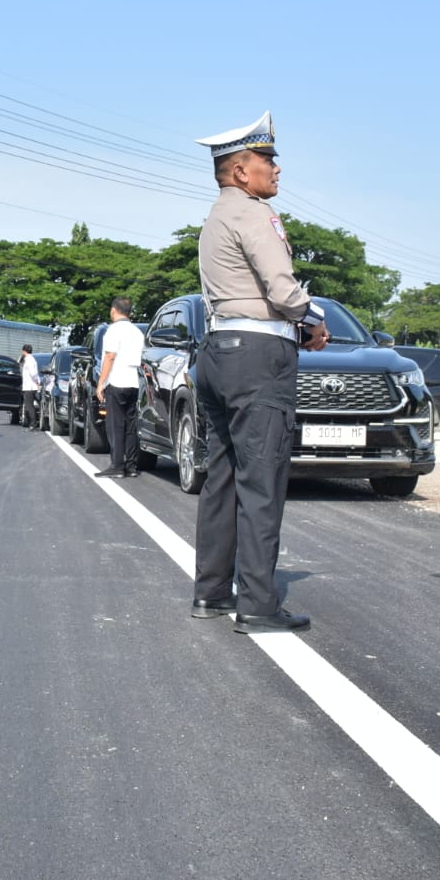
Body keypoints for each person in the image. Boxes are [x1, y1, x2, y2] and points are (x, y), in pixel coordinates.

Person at [190, 111, 330, 633]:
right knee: (262, 480)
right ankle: (257, 604)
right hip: (257, 355)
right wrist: (313, 321)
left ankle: (211, 591)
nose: (276, 169)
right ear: (240, 171)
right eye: (267, 159)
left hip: (218, 350)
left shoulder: (214, 216)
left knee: (221, 476)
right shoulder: (254, 215)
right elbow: (281, 289)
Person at [94, 299, 145, 477]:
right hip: (133, 382)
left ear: (113, 310)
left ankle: (117, 466)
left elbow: (109, 357)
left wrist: (101, 383)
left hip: (116, 380)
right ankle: (131, 466)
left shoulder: (113, 330)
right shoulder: (137, 332)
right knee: (131, 426)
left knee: (115, 425)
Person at [19, 344, 40, 430]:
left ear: (24, 351)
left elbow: (33, 373)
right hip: (29, 386)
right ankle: (31, 423)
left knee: (29, 406)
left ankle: (33, 424)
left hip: (30, 386)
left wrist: (36, 381)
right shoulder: (29, 359)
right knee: (29, 405)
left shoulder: (30, 360)